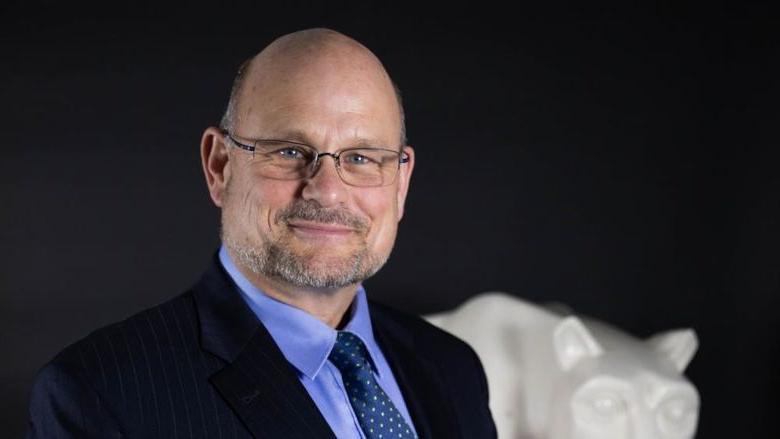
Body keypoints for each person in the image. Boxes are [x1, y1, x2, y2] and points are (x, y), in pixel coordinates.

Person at [26, 28, 497, 438]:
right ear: (220, 166)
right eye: (290, 151)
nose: (328, 191)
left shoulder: (452, 368)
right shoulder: (103, 394)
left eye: (361, 157)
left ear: (401, 182)